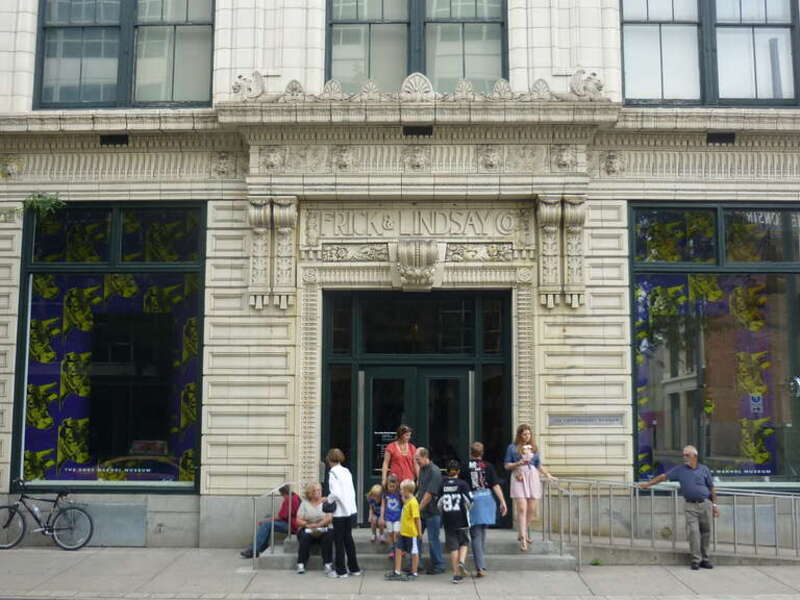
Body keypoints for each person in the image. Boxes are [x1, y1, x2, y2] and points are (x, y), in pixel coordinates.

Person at [639, 445, 720, 570]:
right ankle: (695, 560)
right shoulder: (680, 470)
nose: (684, 457)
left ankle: (705, 559)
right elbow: (663, 477)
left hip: (705, 504)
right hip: (690, 505)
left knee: (706, 532)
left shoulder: (704, 469)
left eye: (687, 455)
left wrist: (714, 505)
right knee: (693, 532)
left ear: (694, 456)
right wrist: (648, 484)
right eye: (683, 455)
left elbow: (711, 487)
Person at [504, 424, 556, 551]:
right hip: (518, 476)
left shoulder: (534, 448)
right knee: (522, 508)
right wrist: (518, 463)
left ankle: (523, 531)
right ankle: (523, 539)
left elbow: (538, 465)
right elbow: (506, 465)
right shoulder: (512, 448)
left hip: (532, 476)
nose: (527, 436)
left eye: (528, 434)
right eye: (524, 434)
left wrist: (547, 474)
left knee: (531, 509)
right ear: (519, 435)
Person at [464, 441, 508, 577]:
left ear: (471, 452)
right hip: (487, 499)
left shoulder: (465, 467)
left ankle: (480, 566)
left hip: (473, 500)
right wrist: (502, 501)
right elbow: (495, 485)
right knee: (482, 532)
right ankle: (481, 563)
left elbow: (462, 485)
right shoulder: (488, 466)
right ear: (482, 453)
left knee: (475, 534)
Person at [325, 448, 362, 578]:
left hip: (339, 512)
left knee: (339, 542)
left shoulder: (333, 473)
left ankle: (341, 571)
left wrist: (328, 500)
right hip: (350, 511)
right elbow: (350, 491)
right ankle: (354, 568)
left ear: (329, 459)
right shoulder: (346, 471)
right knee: (348, 540)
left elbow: (335, 493)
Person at [240, 484, 300, 558]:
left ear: (284, 493)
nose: (282, 497)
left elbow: (281, 517)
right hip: (289, 521)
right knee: (268, 516)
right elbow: (284, 515)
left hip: (292, 526)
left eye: (282, 495)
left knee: (266, 524)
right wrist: (267, 519)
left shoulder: (290, 500)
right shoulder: (294, 496)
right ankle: (262, 546)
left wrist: (264, 520)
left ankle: (253, 550)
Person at [438, 459, 473, 584]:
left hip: (449, 520)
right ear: (458, 471)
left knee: (453, 547)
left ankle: (456, 574)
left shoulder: (443, 485)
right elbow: (470, 501)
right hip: (462, 518)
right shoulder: (463, 484)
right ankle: (461, 562)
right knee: (464, 542)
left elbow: (439, 503)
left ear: (447, 472)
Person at [414, 447, 444, 574]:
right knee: (416, 537)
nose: (416, 461)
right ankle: (417, 563)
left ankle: (438, 565)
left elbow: (429, 494)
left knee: (433, 539)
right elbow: (420, 490)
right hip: (421, 511)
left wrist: (418, 508)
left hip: (432, 511)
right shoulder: (422, 469)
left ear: (425, 457)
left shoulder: (434, 471)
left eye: (418, 459)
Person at [385, 478, 421, 581]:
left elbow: (417, 519)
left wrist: (419, 532)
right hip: (403, 531)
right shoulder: (406, 500)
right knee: (398, 549)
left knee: (414, 552)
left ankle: (414, 572)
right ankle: (397, 571)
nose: (400, 491)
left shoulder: (413, 502)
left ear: (407, 490)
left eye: (402, 490)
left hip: (411, 532)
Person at [295, 482, 334, 575]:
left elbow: (329, 518)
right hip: (308, 528)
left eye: (319, 490)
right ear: (310, 493)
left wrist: (319, 524)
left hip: (323, 527)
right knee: (304, 536)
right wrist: (308, 525)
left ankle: (328, 564)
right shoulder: (304, 504)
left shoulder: (326, 502)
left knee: (328, 536)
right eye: (316, 490)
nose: (319, 492)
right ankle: (301, 564)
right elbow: (298, 520)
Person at [379, 474, 402, 558]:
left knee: (396, 533)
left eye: (393, 486)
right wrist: (382, 517)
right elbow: (383, 506)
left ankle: (398, 548)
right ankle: (391, 549)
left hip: (397, 517)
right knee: (390, 533)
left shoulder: (399, 494)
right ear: (387, 486)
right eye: (390, 486)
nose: (391, 488)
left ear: (396, 486)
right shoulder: (385, 495)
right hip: (388, 517)